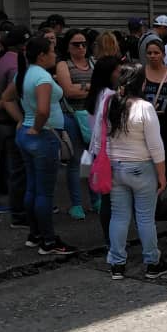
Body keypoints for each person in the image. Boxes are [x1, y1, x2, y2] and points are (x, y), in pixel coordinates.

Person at [9, 35, 76, 255]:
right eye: (52, 51)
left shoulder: (24, 74)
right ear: (42, 55)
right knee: (44, 193)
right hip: (42, 136)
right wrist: (37, 127)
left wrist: (21, 119)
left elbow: (6, 98)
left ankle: (35, 234)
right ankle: (48, 240)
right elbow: (43, 110)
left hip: (26, 136)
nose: (55, 55)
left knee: (32, 187)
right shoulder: (42, 78)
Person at [105, 63, 167, 280]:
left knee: (119, 217)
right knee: (145, 219)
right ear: (142, 83)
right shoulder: (144, 107)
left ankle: (116, 263)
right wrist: (162, 175)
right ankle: (153, 262)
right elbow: (156, 146)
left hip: (116, 166)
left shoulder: (111, 104)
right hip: (141, 167)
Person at [0, 26, 30, 228]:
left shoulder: (3, 60)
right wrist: (20, 120)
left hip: (3, 122)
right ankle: (19, 214)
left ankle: (19, 211)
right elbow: (10, 97)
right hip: (10, 122)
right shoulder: (15, 64)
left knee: (13, 170)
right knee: (20, 172)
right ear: (22, 45)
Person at [56, 29, 96, 219]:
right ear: (68, 46)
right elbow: (68, 92)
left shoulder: (93, 62)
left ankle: (95, 200)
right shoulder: (63, 64)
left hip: (92, 116)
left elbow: (101, 88)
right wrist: (90, 88)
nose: (81, 48)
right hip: (72, 117)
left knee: (92, 160)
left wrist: (81, 88)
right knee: (74, 161)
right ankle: (77, 204)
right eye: (76, 44)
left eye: (83, 44)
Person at [86, 56, 122, 246]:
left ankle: (109, 238)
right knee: (113, 200)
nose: (120, 74)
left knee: (106, 198)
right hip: (110, 152)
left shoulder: (95, 93)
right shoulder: (110, 95)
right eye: (118, 70)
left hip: (97, 151)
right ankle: (112, 240)